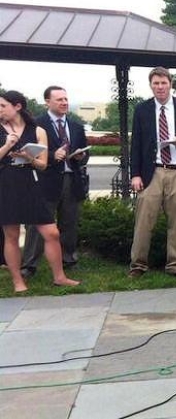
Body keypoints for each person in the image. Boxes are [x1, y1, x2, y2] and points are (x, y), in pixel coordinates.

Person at [128, 67, 176, 278]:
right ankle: (138, 265)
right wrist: (135, 174)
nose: (160, 87)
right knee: (144, 220)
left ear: (170, 84)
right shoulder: (142, 109)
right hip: (150, 172)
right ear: (151, 85)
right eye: (156, 83)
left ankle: (175, 265)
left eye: (163, 83)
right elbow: (136, 144)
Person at [0, 91, 79, 292]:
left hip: (31, 182)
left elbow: (43, 164)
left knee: (51, 232)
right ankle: (18, 281)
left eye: (3, 106)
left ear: (17, 106)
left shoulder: (37, 130)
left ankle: (59, 277)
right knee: (12, 234)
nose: (0, 110)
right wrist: (7, 145)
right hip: (6, 182)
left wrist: (28, 157)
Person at [21, 86, 88, 278]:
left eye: (66, 99)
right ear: (47, 102)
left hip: (71, 180)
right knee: (38, 224)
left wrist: (81, 156)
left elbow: (85, 153)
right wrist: (51, 156)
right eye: (59, 99)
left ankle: (69, 259)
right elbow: (29, 152)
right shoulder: (36, 125)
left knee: (70, 222)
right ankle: (30, 264)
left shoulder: (75, 126)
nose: (64, 103)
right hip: (45, 180)